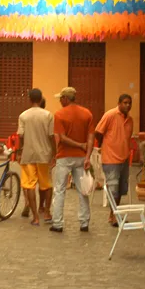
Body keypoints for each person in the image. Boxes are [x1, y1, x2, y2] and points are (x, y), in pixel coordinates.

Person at [50, 87, 93, 233]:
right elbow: (91, 137)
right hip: (81, 157)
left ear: (66, 99)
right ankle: (84, 222)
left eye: (61, 98)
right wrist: (87, 155)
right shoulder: (87, 113)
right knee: (82, 190)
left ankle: (57, 223)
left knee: (60, 190)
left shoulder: (59, 114)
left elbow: (61, 138)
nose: (60, 101)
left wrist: (79, 145)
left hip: (64, 156)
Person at [17, 88, 55, 226]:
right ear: (40, 99)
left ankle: (35, 218)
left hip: (28, 155)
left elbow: (20, 135)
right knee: (47, 184)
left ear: (29, 99)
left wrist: (20, 150)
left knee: (30, 186)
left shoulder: (23, 116)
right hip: (44, 155)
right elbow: (51, 136)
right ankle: (46, 213)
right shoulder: (48, 115)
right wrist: (54, 153)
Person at [95, 94, 134, 227]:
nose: (127, 105)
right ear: (119, 103)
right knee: (113, 189)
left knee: (121, 189)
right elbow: (98, 132)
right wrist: (102, 145)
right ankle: (115, 216)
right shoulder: (110, 115)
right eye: (125, 103)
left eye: (129, 103)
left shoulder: (130, 120)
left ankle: (112, 215)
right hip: (111, 159)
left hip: (124, 159)